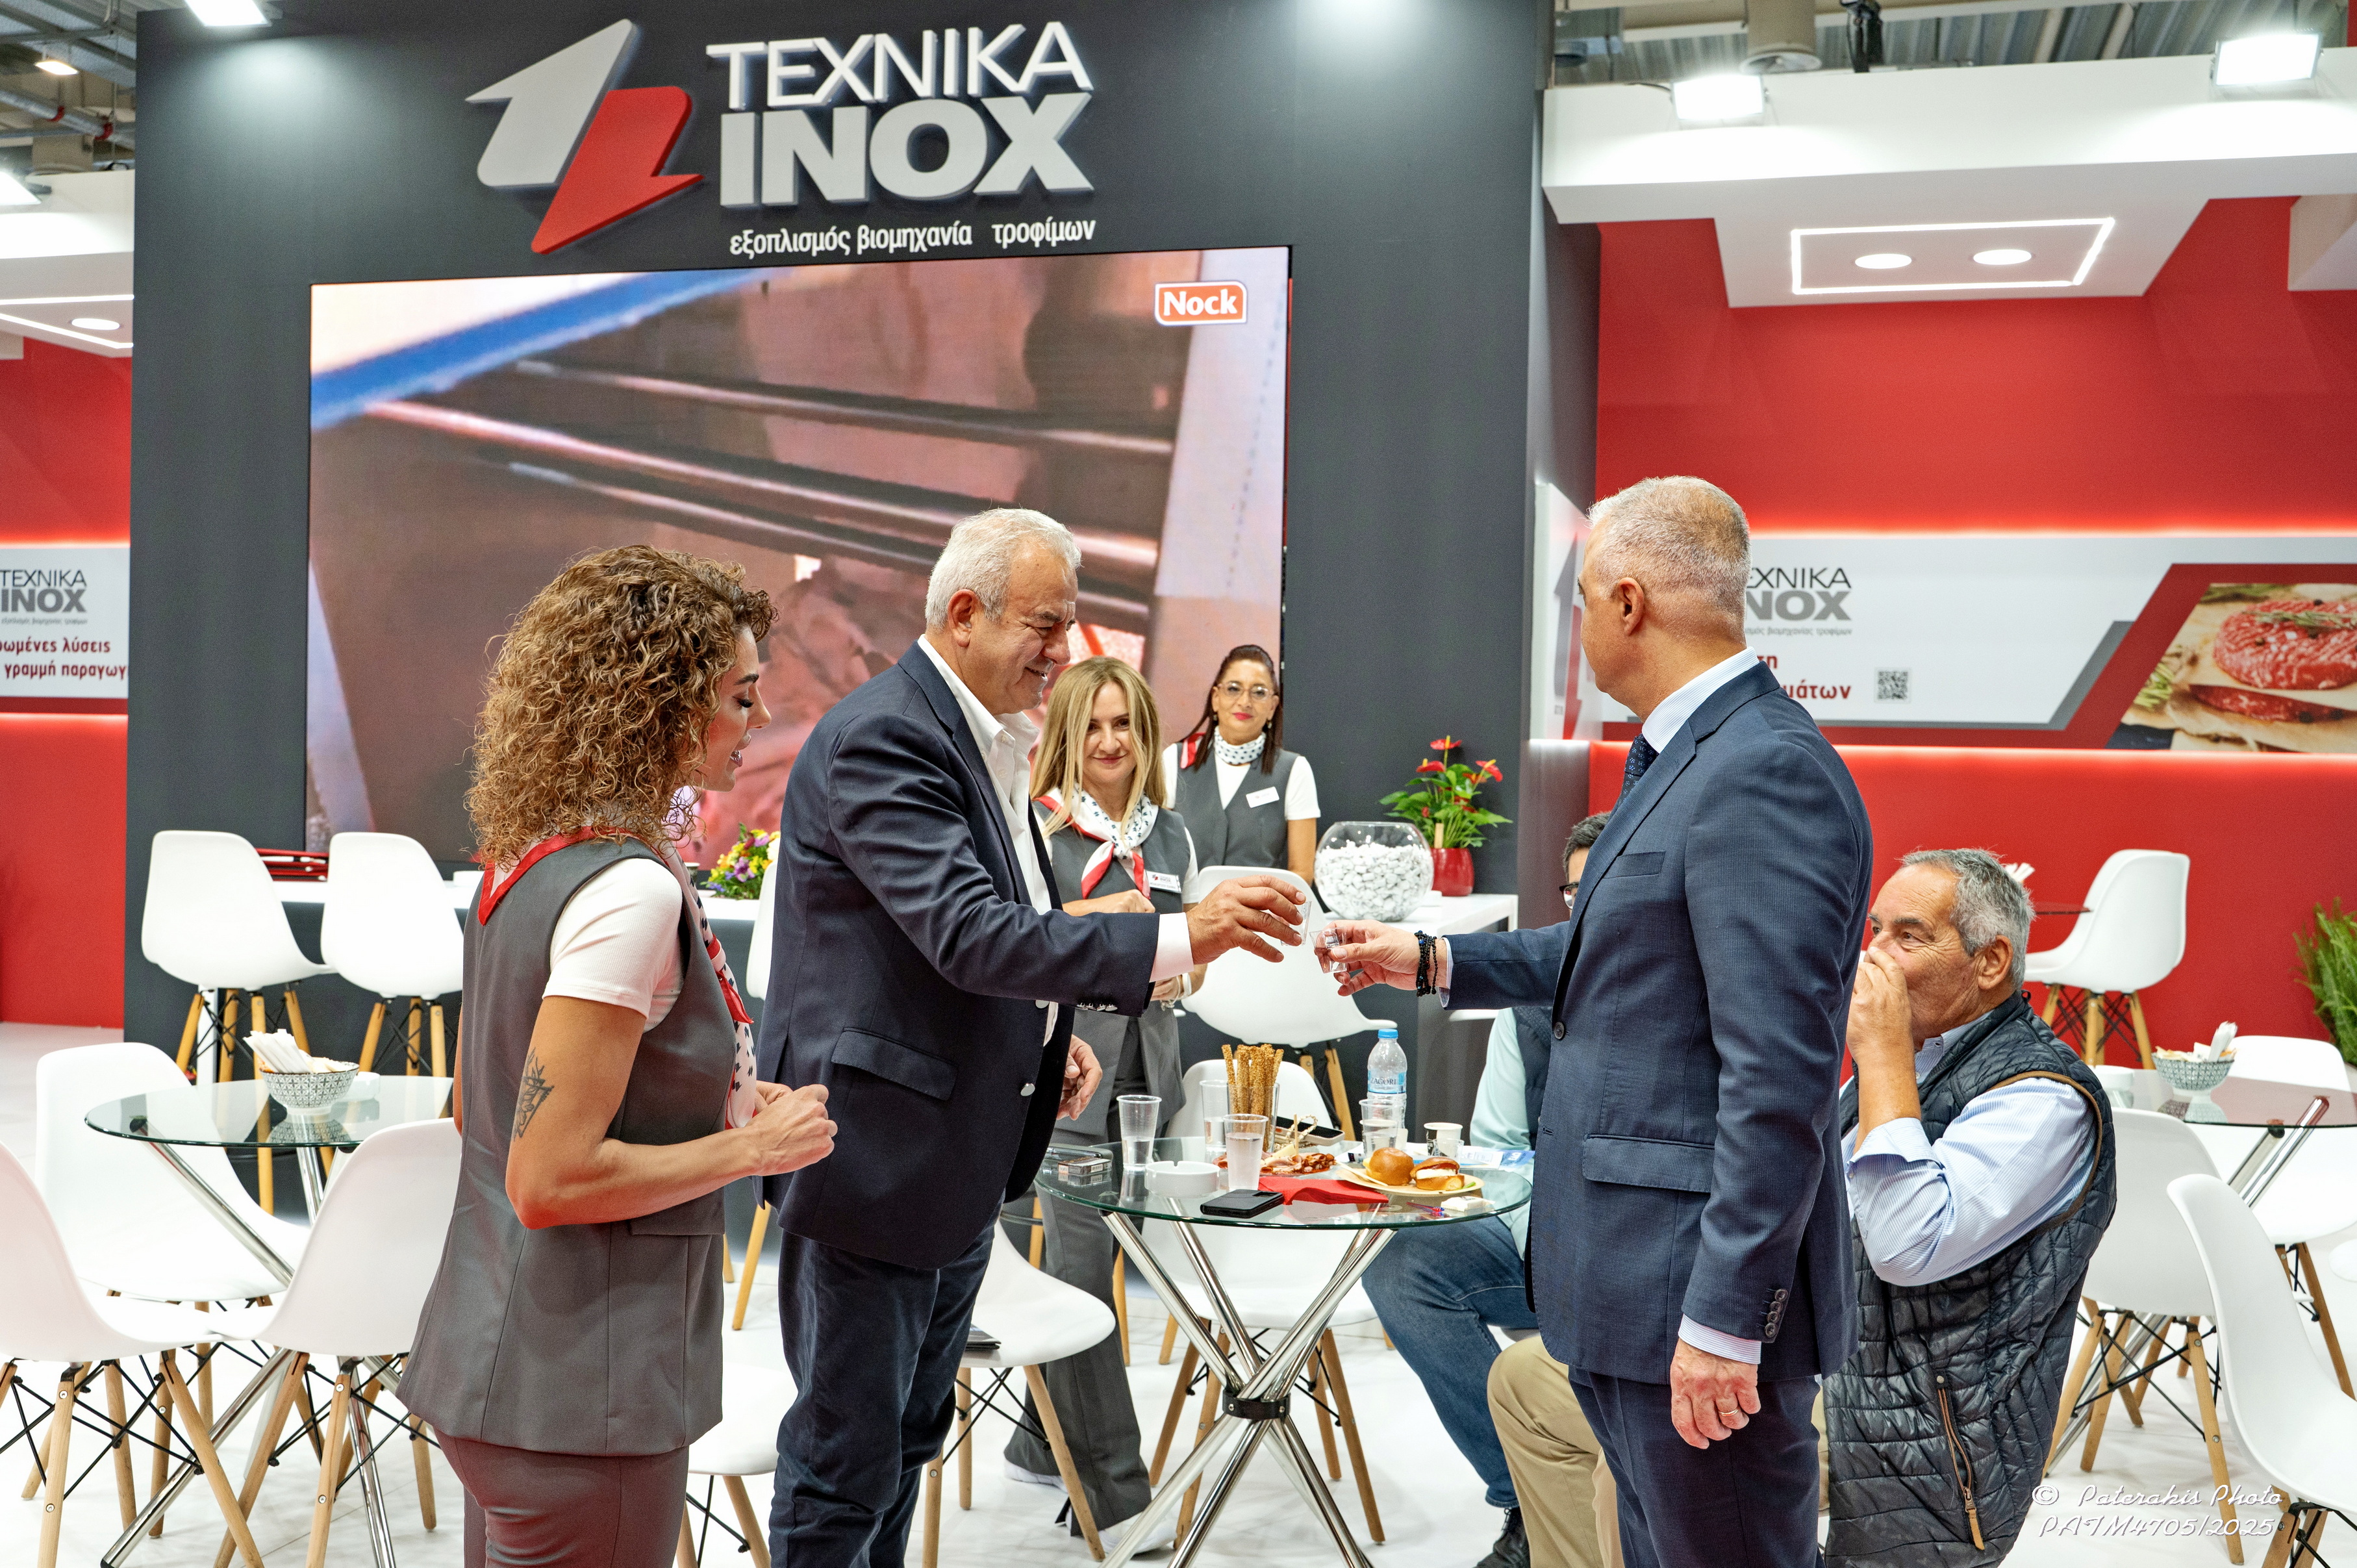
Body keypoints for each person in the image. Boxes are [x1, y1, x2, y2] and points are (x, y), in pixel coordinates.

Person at [1325, 475, 1872, 1568]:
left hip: (1688, 1297)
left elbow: (1778, 1080)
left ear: (1628, 602)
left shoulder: (1763, 770)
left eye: (1578, 599)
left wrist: (1723, 1318)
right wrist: (1432, 956)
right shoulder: (1688, 755)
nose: (1573, 627)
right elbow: (1617, 954)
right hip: (1630, 1282)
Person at [755, 507, 1307, 1568]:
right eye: (1045, 624)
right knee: (845, 1466)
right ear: (964, 612)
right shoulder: (888, 736)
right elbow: (970, 934)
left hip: (947, 1164)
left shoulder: (978, 738)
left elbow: (970, 940)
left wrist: (1045, 1037)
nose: (1063, 649)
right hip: (875, 1160)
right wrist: (1184, 932)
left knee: (902, 1445)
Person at [401, 546, 838, 1568]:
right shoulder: (629, 889)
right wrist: (753, 1149)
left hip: (502, 1367)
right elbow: (548, 1176)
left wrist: (716, 1097)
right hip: (579, 1391)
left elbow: (483, 1104)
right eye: (740, 695)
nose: (759, 719)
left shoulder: (531, 855)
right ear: (661, 704)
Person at [1826, 849, 2116, 1567]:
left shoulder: (2042, 1096)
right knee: (1570, 1401)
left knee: (1657, 1451)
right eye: (1875, 930)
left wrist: (1881, 1056)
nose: (1875, 956)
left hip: (1933, 1438)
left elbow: (1905, 1247)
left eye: (1908, 936)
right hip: (1839, 1371)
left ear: (1989, 962)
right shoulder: (1923, 1057)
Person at [1361, 814, 1613, 1568]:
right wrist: (1552, 1239)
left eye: (1605, 883)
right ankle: (1524, 1497)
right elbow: (1501, 1152)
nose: (1587, 905)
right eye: (1574, 890)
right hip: (1547, 1242)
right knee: (1404, 1264)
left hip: (1646, 1258)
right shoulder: (1528, 1002)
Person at [1001, 654, 1205, 1545]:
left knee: (1087, 1267)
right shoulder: (1034, 829)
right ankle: (1118, 1497)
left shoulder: (1174, 837)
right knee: (1083, 1280)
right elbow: (1011, 943)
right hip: (1060, 1080)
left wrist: (1176, 971)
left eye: (1125, 723)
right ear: (1065, 733)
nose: (1110, 740)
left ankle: (1036, 1441)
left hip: (1146, 1081)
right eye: (1093, 724)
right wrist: (1099, 927)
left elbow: (1190, 958)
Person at [1163, 644, 1320, 883]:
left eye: (1259, 692)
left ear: (1272, 707)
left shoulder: (1294, 770)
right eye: (1234, 689)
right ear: (1216, 699)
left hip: (1260, 906)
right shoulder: (1175, 759)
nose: (1245, 701)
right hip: (1187, 906)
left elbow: (1302, 874)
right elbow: (1158, 858)